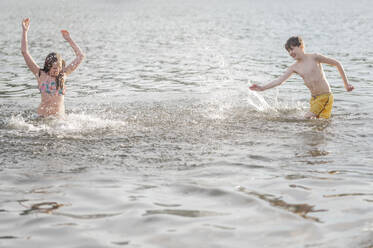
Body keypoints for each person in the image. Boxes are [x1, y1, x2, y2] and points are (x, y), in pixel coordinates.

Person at [249, 36, 354, 119]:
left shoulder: (314, 57)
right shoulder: (294, 67)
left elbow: (337, 63)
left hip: (325, 96)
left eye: (292, 49)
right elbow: (279, 81)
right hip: (314, 99)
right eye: (288, 51)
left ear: (301, 46)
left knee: (307, 118)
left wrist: (346, 84)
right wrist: (262, 88)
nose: (290, 53)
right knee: (319, 125)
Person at [21, 18, 85, 117]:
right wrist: (25, 31)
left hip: (59, 120)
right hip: (42, 119)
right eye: (53, 67)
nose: (56, 69)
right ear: (47, 66)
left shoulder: (63, 75)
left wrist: (69, 39)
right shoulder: (40, 74)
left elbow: (80, 56)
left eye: (58, 67)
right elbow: (25, 52)